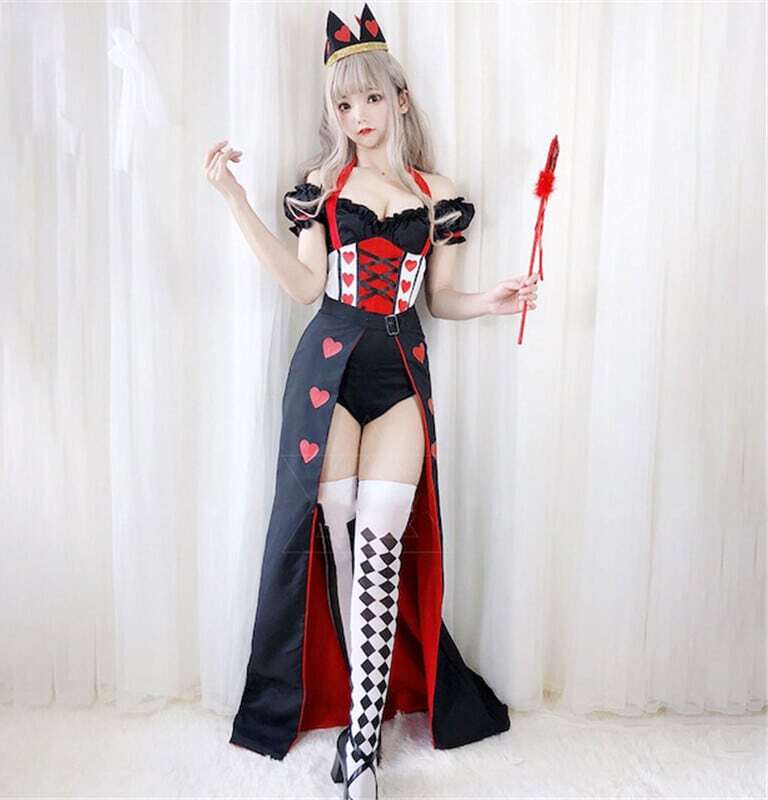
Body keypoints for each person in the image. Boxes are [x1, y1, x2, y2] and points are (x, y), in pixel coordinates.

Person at [204, 4, 537, 798]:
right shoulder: (322, 188)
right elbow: (304, 286)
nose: (358, 116)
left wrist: (492, 302)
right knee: (343, 543)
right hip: (328, 374)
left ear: (401, 99)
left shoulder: (437, 194)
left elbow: (439, 300)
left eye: (372, 98)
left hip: (400, 376)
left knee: (384, 549)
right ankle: (360, 724)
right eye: (344, 103)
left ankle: (361, 742)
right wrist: (235, 200)